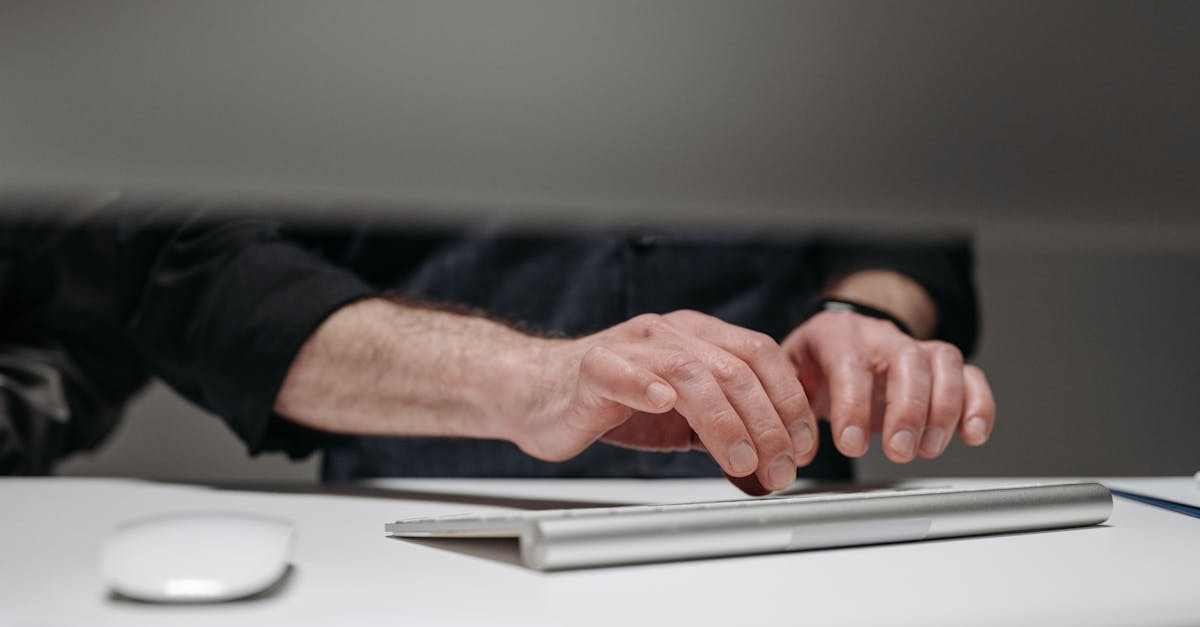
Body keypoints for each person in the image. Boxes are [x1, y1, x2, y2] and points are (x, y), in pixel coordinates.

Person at [116, 201, 993, 494]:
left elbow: (900, 180)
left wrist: (865, 309)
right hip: (429, 548)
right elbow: (190, 264)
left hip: (780, 531)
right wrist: (532, 378)